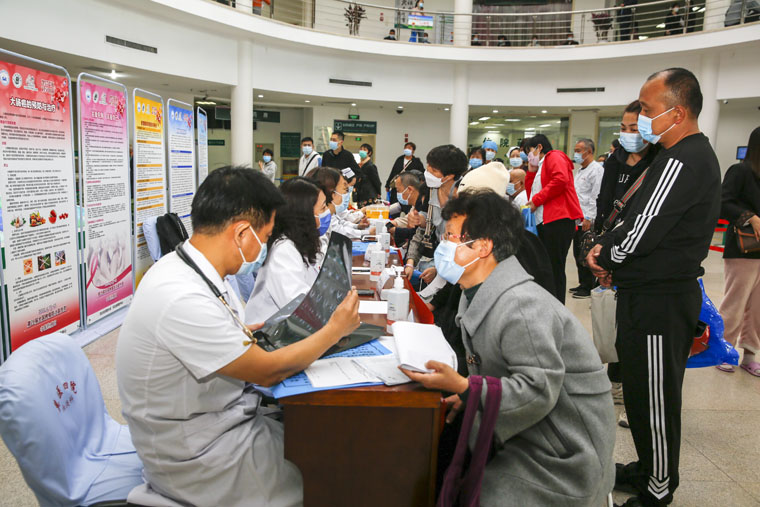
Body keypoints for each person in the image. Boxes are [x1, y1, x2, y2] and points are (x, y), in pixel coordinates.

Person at [116, 166, 361, 507]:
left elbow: (225, 331)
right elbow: (267, 371)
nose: (265, 246)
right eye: (266, 235)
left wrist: (246, 333)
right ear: (243, 233)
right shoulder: (180, 296)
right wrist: (334, 330)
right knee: (332, 476)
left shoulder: (195, 270)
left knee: (325, 440)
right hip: (201, 454)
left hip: (225, 420)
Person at [402, 189, 615, 506]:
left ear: (483, 246)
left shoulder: (521, 307)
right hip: (531, 429)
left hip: (563, 450)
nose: (443, 246)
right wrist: (469, 395)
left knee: (475, 488)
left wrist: (466, 387)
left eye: (450, 238)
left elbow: (538, 390)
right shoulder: (476, 292)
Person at [587, 68, 721, 507]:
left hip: (661, 300)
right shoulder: (671, 155)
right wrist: (610, 252)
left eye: (647, 109)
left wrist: (607, 256)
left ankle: (659, 487)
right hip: (646, 292)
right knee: (641, 392)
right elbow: (633, 218)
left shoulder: (684, 159)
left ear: (677, 113)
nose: (641, 118)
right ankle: (648, 468)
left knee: (655, 398)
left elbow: (644, 229)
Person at [593, 100, 659, 421]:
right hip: (610, 244)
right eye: (623, 128)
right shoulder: (614, 160)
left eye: (634, 128)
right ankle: (614, 377)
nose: (628, 134)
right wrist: (598, 244)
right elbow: (604, 202)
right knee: (613, 317)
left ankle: (625, 383)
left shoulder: (659, 161)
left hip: (639, 250)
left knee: (633, 323)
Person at [245, 178, 328, 322]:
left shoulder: (302, 242)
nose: (327, 212)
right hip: (270, 332)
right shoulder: (283, 251)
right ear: (304, 214)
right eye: (323, 207)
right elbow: (301, 308)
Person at [717, 126, 760, 375]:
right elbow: (723, 202)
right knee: (735, 302)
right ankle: (724, 350)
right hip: (743, 248)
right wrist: (749, 217)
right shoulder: (740, 171)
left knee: (757, 308)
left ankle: (750, 353)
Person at [525, 134, 583, 303]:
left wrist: (536, 200)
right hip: (544, 222)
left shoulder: (554, 156)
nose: (529, 156)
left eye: (530, 151)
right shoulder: (540, 166)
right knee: (546, 267)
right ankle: (549, 303)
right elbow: (531, 193)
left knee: (554, 268)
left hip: (558, 220)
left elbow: (560, 180)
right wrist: (531, 171)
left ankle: (557, 305)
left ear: (539, 147)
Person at [404, 145, 468, 282]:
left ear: (449, 176)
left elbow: (466, 246)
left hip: (457, 267)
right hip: (438, 259)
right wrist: (410, 262)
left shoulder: (462, 196)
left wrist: (439, 270)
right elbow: (425, 226)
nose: (427, 172)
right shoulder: (431, 189)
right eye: (428, 166)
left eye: (433, 170)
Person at [570, 138, 604, 299]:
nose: (575, 154)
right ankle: (582, 282)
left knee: (586, 251)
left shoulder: (596, 170)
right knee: (578, 252)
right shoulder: (581, 170)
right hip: (577, 217)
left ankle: (588, 285)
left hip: (587, 218)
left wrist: (589, 218)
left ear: (589, 151)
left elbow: (595, 196)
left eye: (578, 151)